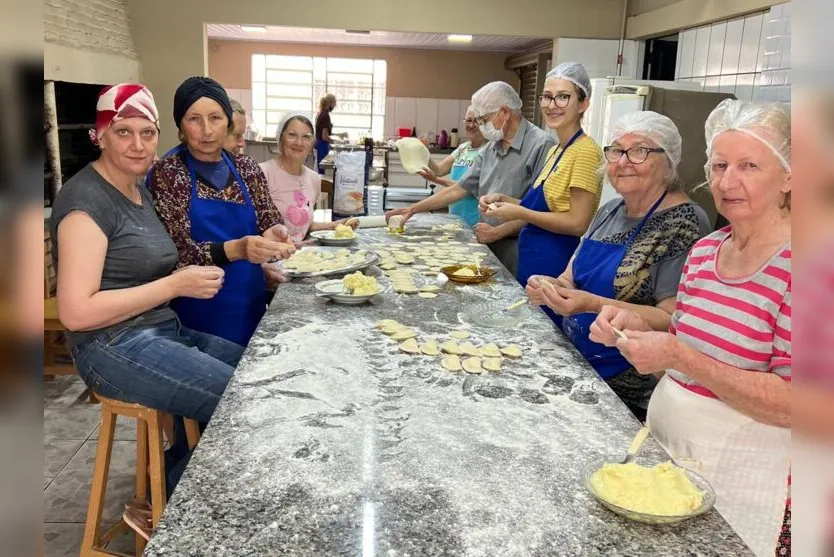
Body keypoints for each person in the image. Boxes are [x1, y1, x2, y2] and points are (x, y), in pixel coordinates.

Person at [589, 100, 791, 556]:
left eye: (749, 165)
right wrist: (633, 326)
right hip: (670, 456)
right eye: (719, 164)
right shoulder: (704, 252)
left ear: (791, 176)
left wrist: (680, 357)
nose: (726, 181)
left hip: (749, 477)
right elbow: (683, 343)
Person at [49, 83, 243, 509]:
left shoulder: (138, 189)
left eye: (147, 132)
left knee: (261, 375)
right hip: (109, 346)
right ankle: (176, 514)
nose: (138, 145)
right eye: (123, 132)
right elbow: (76, 313)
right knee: (242, 404)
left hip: (159, 330)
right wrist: (174, 286)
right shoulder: (86, 202)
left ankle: (180, 494)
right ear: (98, 136)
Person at [526, 111, 710, 419]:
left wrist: (591, 304)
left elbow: (672, 320)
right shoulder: (610, 211)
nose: (623, 161)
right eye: (616, 151)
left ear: (668, 161)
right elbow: (569, 277)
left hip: (628, 390)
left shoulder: (685, 224)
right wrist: (551, 289)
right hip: (578, 365)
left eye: (639, 151)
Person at [148, 76, 295, 346]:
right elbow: (175, 254)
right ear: (181, 124)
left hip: (249, 303)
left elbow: (268, 217)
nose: (207, 130)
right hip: (195, 314)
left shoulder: (247, 168)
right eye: (194, 119)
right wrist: (238, 249)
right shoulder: (168, 174)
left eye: (215, 118)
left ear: (227, 121)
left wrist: (276, 230)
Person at [386, 82, 556, 276]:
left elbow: (539, 210)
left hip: (520, 248)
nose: (481, 125)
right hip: (487, 241)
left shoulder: (542, 146)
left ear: (504, 113)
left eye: (484, 119)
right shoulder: (492, 147)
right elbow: (460, 188)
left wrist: (497, 233)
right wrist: (413, 209)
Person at [481, 62, 603, 295]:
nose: (551, 105)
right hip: (532, 258)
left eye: (563, 97)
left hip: (555, 264)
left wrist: (520, 213)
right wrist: (504, 199)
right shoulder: (557, 150)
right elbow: (543, 206)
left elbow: (578, 222)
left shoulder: (585, 151)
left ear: (583, 104)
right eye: (547, 97)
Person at [260, 112, 359, 243]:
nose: (299, 142)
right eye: (292, 135)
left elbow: (302, 226)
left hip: (300, 256)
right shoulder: (262, 174)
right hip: (270, 258)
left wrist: (335, 225)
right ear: (280, 138)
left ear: (312, 142)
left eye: (306, 137)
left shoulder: (313, 179)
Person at [418, 105, 488, 226]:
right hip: (455, 216)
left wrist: (436, 180)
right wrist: (423, 151)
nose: (471, 125)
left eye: (476, 121)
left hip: (475, 220)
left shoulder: (489, 151)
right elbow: (439, 169)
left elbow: (469, 188)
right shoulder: (463, 148)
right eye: (468, 120)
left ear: (485, 123)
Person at [315, 93, 343, 172]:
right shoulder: (325, 115)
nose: (335, 106)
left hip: (319, 144)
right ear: (330, 103)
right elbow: (324, 136)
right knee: (323, 172)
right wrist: (335, 143)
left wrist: (339, 135)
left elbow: (325, 132)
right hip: (322, 146)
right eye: (334, 103)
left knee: (320, 171)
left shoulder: (321, 113)